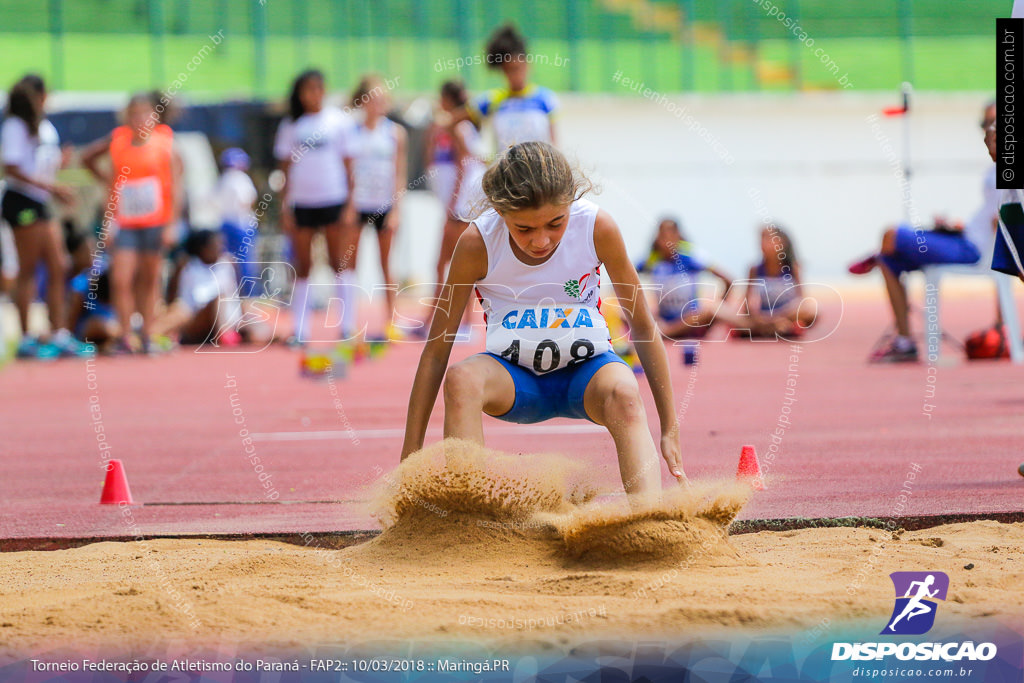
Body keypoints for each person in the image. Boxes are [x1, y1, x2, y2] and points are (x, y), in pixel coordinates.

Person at [401, 142, 685, 504]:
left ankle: (649, 521)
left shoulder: (596, 227)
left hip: (587, 376)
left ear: (570, 204)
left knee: (626, 393)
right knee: (461, 379)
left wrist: (669, 429)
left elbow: (643, 328)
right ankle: (467, 522)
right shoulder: (477, 243)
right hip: (515, 382)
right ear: (501, 212)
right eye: (523, 229)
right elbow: (436, 353)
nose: (541, 240)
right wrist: (409, 456)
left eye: (555, 223)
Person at [81, 92, 181, 354]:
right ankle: (126, 336)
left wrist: (171, 224)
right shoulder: (118, 140)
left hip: (155, 221)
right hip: (124, 221)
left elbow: (176, 185)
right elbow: (87, 158)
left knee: (150, 279)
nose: (140, 119)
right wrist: (107, 181)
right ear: (127, 117)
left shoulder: (164, 142)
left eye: (145, 113)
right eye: (134, 113)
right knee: (121, 278)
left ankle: (147, 335)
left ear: (155, 116)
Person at [1, 74, 91, 358]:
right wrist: (53, 187)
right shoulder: (15, 125)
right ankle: (26, 336)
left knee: (59, 264)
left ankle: (60, 332)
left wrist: (58, 165)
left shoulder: (44, 126)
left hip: (39, 201)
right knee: (28, 267)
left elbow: (39, 164)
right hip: (22, 201)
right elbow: (12, 168)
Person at [273, 69, 356, 345]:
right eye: (308, 89)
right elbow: (284, 169)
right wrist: (284, 208)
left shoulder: (338, 121)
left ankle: (347, 326)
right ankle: (300, 330)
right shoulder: (291, 125)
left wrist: (349, 205)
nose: (314, 94)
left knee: (339, 263)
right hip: (302, 203)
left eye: (318, 88)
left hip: (333, 199)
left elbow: (349, 165)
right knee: (303, 265)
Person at [345, 75, 407, 339]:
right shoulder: (351, 131)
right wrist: (347, 204)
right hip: (357, 204)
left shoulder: (394, 133)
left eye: (381, 98)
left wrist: (396, 209)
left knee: (386, 264)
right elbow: (345, 169)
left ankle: (390, 322)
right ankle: (348, 323)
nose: (377, 103)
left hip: (384, 205)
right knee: (350, 264)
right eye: (371, 98)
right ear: (361, 101)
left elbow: (399, 173)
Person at [425, 80, 486, 339]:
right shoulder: (449, 127)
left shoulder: (460, 127)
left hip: (461, 204)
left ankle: (463, 322)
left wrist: (453, 201)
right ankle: (437, 317)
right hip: (454, 202)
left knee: (453, 262)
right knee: (443, 262)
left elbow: (465, 165)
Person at [636, 217, 732, 341]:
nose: (667, 240)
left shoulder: (691, 257)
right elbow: (624, 281)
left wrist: (721, 304)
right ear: (657, 238)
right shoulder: (652, 260)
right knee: (625, 314)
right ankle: (665, 331)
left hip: (690, 321)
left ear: (678, 237)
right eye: (663, 235)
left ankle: (668, 332)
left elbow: (728, 280)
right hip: (663, 320)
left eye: (671, 235)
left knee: (712, 310)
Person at [467, 24, 559, 151]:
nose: (515, 75)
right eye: (509, 70)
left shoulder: (544, 99)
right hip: (505, 169)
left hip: (538, 169)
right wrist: (479, 156)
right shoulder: (493, 99)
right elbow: (458, 123)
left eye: (518, 68)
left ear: (528, 65)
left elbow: (554, 144)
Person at [152, 229, 242, 345]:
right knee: (179, 310)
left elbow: (237, 295)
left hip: (227, 317)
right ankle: (152, 333)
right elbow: (172, 295)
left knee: (258, 326)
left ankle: (226, 332)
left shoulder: (229, 264)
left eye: (221, 244)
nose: (220, 248)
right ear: (203, 249)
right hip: (193, 317)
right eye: (215, 245)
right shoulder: (186, 265)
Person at [732, 225, 815, 338]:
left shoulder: (793, 268)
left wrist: (777, 316)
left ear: (782, 243)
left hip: (787, 314)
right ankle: (779, 328)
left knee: (811, 311)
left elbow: (802, 299)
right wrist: (758, 316)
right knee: (731, 316)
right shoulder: (754, 269)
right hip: (762, 316)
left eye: (768, 239)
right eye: (761, 239)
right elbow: (746, 302)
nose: (763, 243)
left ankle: (767, 329)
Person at [214, 147, 258, 289]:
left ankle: (231, 289)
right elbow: (247, 201)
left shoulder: (222, 179)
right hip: (242, 224)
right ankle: (247, 292)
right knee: (245, 260)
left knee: (227, 260)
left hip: (225, 223)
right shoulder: (240, 178)